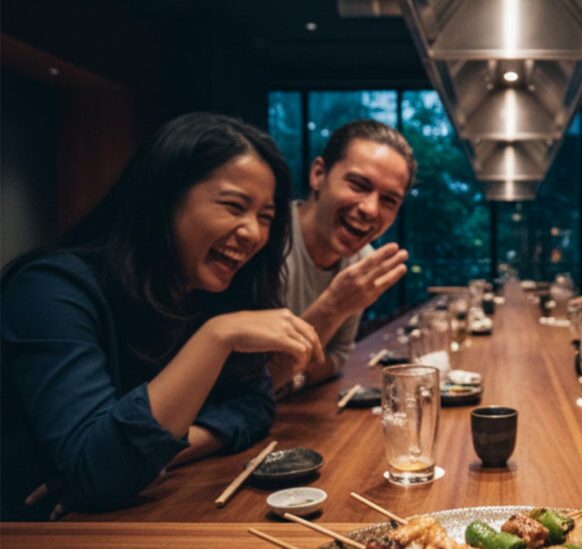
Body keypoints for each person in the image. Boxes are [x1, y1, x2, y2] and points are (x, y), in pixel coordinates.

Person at [1, 113, 323, 520]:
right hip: (34, 545)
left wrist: (153, 453)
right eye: (233, 206)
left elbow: (254, 406)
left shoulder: (209, 291)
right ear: (163, 197)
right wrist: (216, 337)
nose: (253, 233)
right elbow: (100, 474)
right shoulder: (50, 290)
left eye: (265, 217)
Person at [272, 120, 413, 395]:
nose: (371, 209)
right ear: (318, 174)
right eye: (358, 185)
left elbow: (337, 356)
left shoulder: (362, 261)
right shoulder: (265, 240)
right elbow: (257, 378)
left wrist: (293, 381)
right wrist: (334, 305)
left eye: (388, 200)